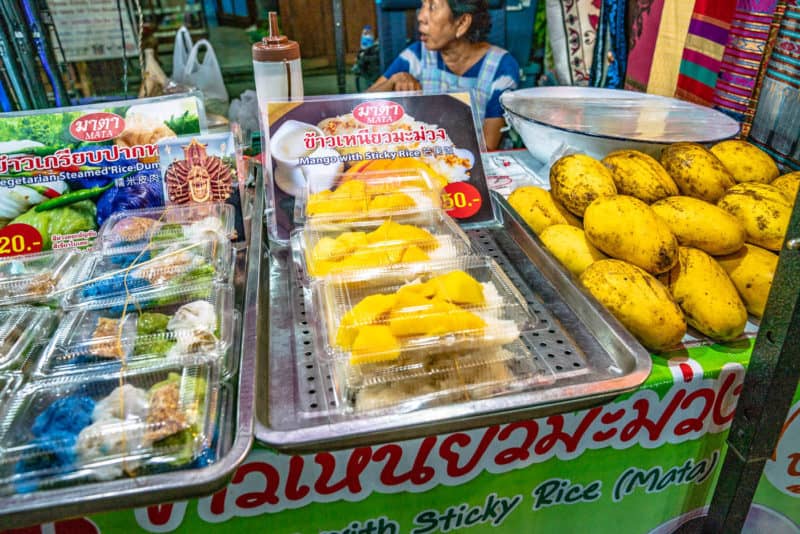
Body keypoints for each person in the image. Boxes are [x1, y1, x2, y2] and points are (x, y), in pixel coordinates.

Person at [368, 0, 520, 150]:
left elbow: (488, 144)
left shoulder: (501, 67)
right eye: (423, 6)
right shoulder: (416, 56)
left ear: (462, 23)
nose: (420, 16)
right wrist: (394, 80)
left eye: (432, 7)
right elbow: (356, 107)